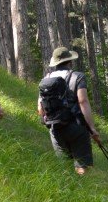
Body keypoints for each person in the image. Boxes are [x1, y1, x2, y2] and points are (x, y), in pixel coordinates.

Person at [37, 46, 100, 174]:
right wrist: (92, 128)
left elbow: (40, 107)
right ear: (70, 61)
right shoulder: (78, 76)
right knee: (82, 166)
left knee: (64, 167)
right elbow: (83, 101)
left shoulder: (45, 80)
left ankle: (70, 190)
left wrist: (47, 121)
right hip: (76, 126)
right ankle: (84, 191)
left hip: (55, 128)